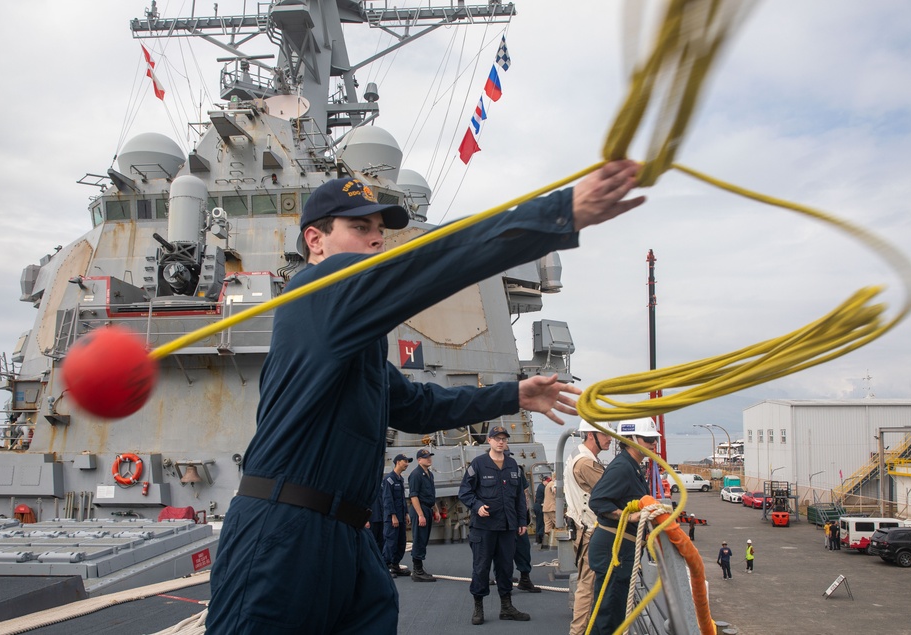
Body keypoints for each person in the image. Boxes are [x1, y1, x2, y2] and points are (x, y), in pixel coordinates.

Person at [206, 162, 648, 634]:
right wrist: (556, 214)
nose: (377, 239)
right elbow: (431, 259)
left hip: (347, 534)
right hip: (285, 531)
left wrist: (513, 394)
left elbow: (418, 407)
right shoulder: (319, 288)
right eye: (360, 228)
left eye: (379, 230)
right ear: (316, 240)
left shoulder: (356, 337)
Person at [586, 419, 661, 635]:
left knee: (613, 613)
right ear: (630, 440)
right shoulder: (622, 467)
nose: (653, 444)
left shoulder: (631, 466)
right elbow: (598, 501)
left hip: (619, 551)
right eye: (648, 439)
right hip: (613, 550)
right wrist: (630, 517)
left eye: (654, 439)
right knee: (608, 617)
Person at [459, 426, 531, 625]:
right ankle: (478, 607)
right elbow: (465, 491)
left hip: (508, 527)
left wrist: (522, 521)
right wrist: (477, 506)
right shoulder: (479, 464)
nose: (501, 442)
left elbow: (519, 498)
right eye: (497, 438)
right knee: (481, 568)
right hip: (484, 528)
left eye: (504, 439)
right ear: (489, 441)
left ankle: (506, 607)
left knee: (506, 568)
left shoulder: (513, 465)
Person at [563, 419, 612, 635]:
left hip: (581, 528)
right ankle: (578, 631)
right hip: (591, 532)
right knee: (587, 586)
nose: (610, 438)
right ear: (591, 435)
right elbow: (611, 493)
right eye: (605, 434)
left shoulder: (576, 455)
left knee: (587, 583)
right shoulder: (586, 463)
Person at [408, 448, 440, 582]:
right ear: (419, 460)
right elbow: (414, 496)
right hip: (419, 509)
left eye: (429, 456)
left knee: (424, 539)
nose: (429, 459)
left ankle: (419, 568)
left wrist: (436, 510)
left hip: (428, 508)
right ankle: (417, 571)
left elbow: (431, 494)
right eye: (426, 457)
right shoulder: (415, 474)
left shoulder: (429, 475)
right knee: (419, 539)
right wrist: (420, 515)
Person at [512, 461, 541, 594]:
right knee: (501, 552)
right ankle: (504, 580)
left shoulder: (516, 470)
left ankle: (524, 579)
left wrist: (524, 517)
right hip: (498, 519)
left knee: (523, 548)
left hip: (517, 517)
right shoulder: (483, 468)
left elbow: (524, 493)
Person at [383, 453, 412, 576]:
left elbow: (402, 499)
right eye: (405, 461)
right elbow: (387, 499)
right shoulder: (389, 479)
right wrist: (393, 515)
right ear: (398, 462)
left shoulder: (400, 479)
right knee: (391, 542)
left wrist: (406, 513)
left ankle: (395, 565)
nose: (407, 464)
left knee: (401, 541)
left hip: (400, 517)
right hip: (392, 518)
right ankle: (385, 567)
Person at [541, 474, 557, 549]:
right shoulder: (552, 484)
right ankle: (556, 544)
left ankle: (545, 544)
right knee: (558, 523)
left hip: (546, 508)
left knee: (547, 526)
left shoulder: (547, 486)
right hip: (552, 507)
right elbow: (555, 490)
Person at [533, 475, 547, 546]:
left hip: (537, 505)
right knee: (541, 522)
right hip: (539, 506)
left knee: (539, 522)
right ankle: (540, 536)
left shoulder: (539, 486)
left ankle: (538, 539)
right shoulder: (543, 488)